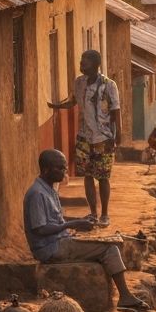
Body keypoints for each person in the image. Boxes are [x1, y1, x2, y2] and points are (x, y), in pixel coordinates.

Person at [23, 149, 150, 312]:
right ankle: (125, 296)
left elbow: (56, 220)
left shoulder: (49, 188)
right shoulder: (37, 193)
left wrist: (79, 221)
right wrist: (71, 224)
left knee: (109, 240)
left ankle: (124, 294)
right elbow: (40, 229)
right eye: (59, 168)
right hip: (50, 248)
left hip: (59, 241)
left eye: (64, 168)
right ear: (46, 169)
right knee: (110, 247)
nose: (64, 171)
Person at [48, 49, 120, 227]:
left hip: (103, 138)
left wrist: (117, 135)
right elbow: (73, 101)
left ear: (95, 64)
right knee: (87, 175)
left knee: (103, 177)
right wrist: (57, 106)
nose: (81, 64)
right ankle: (93, 213)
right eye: (81, 60)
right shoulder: (79, 82)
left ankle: (105, 214)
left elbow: (115, 111)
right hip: (84, 137)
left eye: (84, 61)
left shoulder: (109, 85)